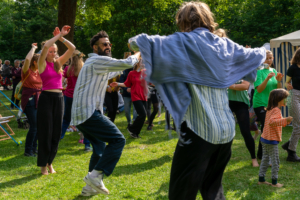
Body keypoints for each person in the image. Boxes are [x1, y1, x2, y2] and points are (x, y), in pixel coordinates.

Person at [128, 2, 266, 199]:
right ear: (208, 19)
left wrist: (132, 44)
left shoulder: (182, 42)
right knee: (213, 190)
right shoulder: (225, 44)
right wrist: (263, 52)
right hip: (226, 130)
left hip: (199, 129)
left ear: (183, 21)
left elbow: (138, 42)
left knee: (181, 193)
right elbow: (256, 56)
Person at [70, 30, 140, 196]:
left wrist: (137, 59)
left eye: (109, 44)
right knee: (118, 140)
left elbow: (116, 70)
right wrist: (139, 51)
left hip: (83, 114)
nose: (108, 46)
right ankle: (95, 176)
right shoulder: (96, 60)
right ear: (95, 47)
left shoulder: (99, 63)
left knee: (100, 147)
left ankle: (89, 188)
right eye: (104, 44)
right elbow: (127, 62)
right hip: (87, 113)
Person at [37, 25, 75, 175]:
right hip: (46, 98)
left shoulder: (58, 63)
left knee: (56, 132)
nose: (53, 53)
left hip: (59, 98)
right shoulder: (41, 63)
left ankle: (50, 162)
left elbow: (72, 48)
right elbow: (46, 46)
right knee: (45, 133)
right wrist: (56, 38)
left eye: (55, 51)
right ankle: (43, 166)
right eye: (51, 51)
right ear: (46, 53)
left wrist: (63, 37)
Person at [258, 89, 292, 188]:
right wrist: (285, 119)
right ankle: (274, 182)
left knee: (265, 159)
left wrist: (285, 121)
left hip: (264, 139)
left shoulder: (271, 109)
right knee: (275, 161)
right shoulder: (276, 110)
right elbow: (272, 122)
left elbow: (275, 121)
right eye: (285, 98)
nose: (287, 100)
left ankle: (261, 180)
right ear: (279, 99)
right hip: (271, 140)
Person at [253, 50, 283, 159]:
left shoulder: (274, 70)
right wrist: (267, 78)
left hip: (271, 104)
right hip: (260, 103)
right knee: (267, 127)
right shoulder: (259, 71)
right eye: (266, 58)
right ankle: (266, 155)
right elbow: (259, 89)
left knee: (266, 128)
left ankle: (261, 154)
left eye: (270, 58)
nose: (269, 60)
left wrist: (279, 81)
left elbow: (279, 91)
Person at [60, 50, 92, 151]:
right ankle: (87, 145)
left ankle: (55, 141)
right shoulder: (85, 68)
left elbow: (60, 82)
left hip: (69, 96)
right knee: (85, 121)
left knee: (66, 119)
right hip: (81, 97)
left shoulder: (67, 68)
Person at [110, 58, 148, 138]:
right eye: (142, 62)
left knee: (142, 115)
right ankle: (132, 129)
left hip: (143, 96)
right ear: (137, 63)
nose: (144, 63)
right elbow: (126, 84)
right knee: (142, 114)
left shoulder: (146, 72)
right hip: (135, 96)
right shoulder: (131, 73)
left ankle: (134, 132)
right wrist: (118, 84)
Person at [228, 80, 259, 167]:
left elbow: (245, 86)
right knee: (225, 131)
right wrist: (234, 85)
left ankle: (254, 158)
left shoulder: (243, 71)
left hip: (241, 104)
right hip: (226, 102)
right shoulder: (226, 69)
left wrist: (227, 84)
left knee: (245, 131)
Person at [22, 43, 42, 157]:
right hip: (29, 99)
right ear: (34, 62)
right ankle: (28, 150)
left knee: (38, 126)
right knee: (34, 126)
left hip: (39, 99)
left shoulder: (39, 71)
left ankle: (34, 148)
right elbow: (27, 59)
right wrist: (33, 48)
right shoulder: (27, 71)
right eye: (39, 61)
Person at [282, 48, 300, 161]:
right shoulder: (293, 68)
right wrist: (287, 85)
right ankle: (291, 153)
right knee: (298, 125)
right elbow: (286, 82)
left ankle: (289, 145)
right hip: (294, 95)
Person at [119, 52, 137, 128]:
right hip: (127, 93)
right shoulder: (124, 71)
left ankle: (134, 122)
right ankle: (129, 123)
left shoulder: (136, 70)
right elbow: (121, 81)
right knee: (127, 110)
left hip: (135, 93)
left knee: (136, 109)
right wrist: (126, 89)